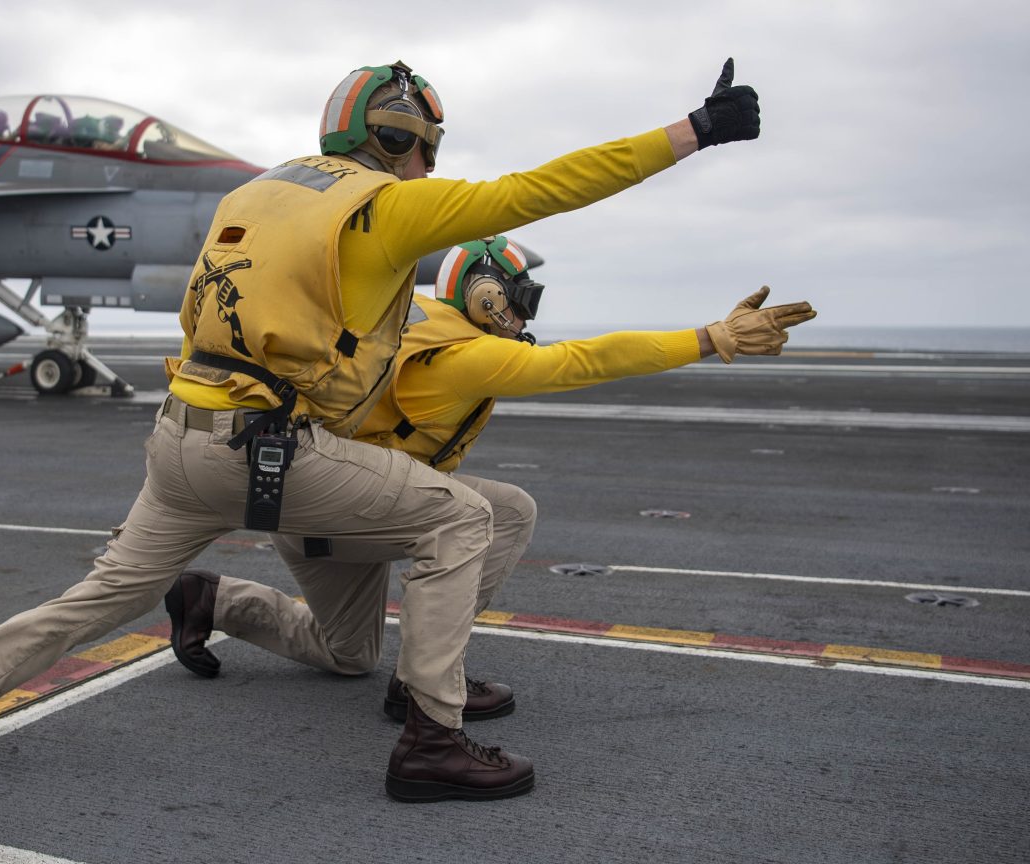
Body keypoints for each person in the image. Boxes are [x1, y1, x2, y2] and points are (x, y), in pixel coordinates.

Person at [0, 58, 764, 803]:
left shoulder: (256, 191)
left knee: (98, 598)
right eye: (423, 145)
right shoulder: (387, 206)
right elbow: (545, 189)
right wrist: (695, 131)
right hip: (272, 452)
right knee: (466, 517)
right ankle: (431, 737)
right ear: (403, 140)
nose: (426, 164)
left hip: (181, 438)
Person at [165, 236, 816, 724]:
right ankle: (425, 680)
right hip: (343, 510)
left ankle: (213, 600)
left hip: (322, 509)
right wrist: (711, 337)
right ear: (486, 295)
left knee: (348, 655)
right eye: (521, 298)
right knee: (502, 511)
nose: (525, 314)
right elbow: (586, 361)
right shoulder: (461, 357)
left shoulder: (410, 317)